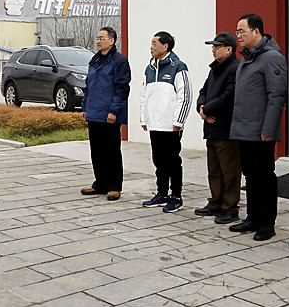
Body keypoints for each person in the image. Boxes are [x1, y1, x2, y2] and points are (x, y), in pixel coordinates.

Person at [228, 14, 287, 242]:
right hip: (244, 129)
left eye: (242, 31)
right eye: (237, 31)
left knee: (264, 176)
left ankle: (266, 223)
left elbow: (276, 96)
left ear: (256, 32)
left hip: (261, 131)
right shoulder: (247, 58)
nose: (238, 36)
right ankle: (252, 217)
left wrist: (269, 129)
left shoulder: (271, 58)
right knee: (250, 175)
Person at [140, 31, 191, 213]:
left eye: (155, 43)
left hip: (171, 126)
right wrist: (144, 118)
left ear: (165, 46)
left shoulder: (178, 66)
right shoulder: (149, 68)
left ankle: (176, 196)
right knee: (158, 161)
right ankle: (162, 193)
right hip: (154, 124)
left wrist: (179, 121)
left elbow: (185, 95)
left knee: (173, 162)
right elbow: (144, 95)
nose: (151, 46)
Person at [194, 31, 241, 224]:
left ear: (229, 49)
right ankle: (215, 202)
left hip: (226, 128)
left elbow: (229, 95)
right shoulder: (214, 69)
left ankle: (230, 208)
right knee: (214, 170)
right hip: (211, 127)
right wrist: (201, 107)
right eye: (213, 47)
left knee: (229, 172)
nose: (213, 50)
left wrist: (207, 109)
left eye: (217, 47)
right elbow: (203, 91)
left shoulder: (235, 68)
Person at [81, 27, 131, 201]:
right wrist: (85, 107)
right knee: (97, 151)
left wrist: (114, 110)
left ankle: (114, 186)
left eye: (102, 38)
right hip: (94, 111)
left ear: (112, 41)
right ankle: (100, 183)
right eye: (97, 38)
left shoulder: (119, 60)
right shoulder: (95, 60)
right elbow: (88, 85)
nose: (98, 41)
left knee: (111, 151)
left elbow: (122, 88)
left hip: (109, 114)